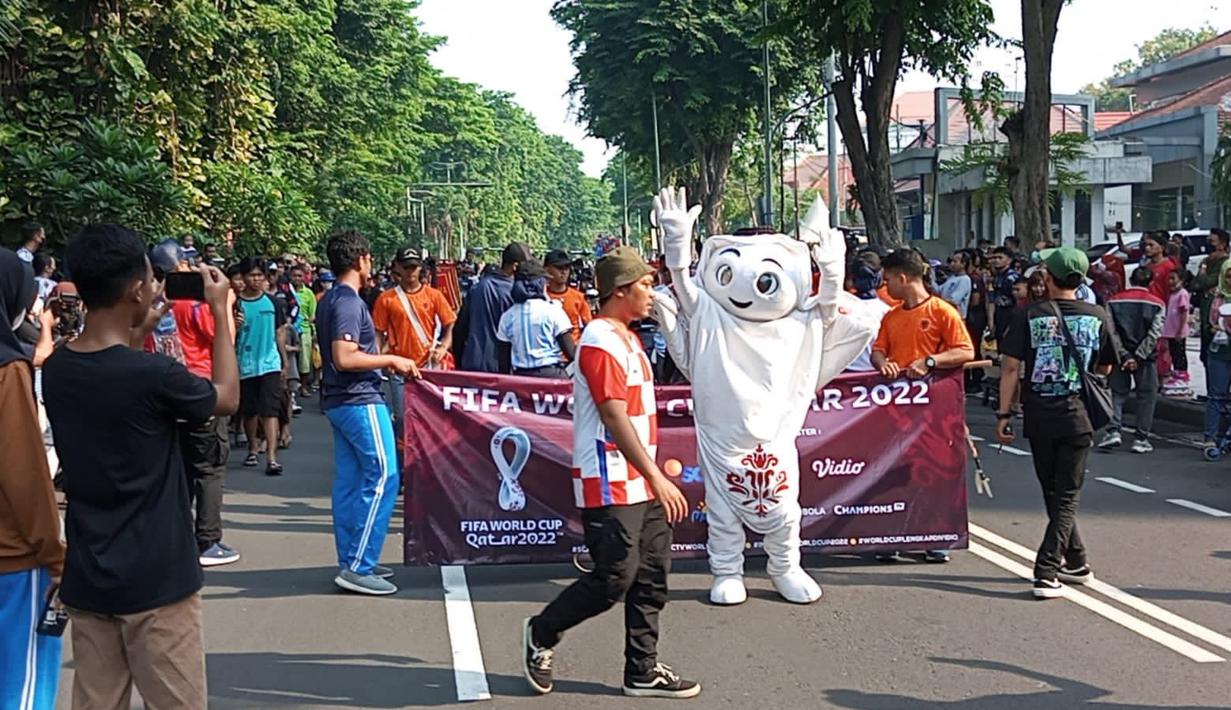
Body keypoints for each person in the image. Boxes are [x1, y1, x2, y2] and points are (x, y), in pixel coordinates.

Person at [42, 224, 239, 709]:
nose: (157, 287)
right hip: (158, 579)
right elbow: (227, 397)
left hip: (90, 576)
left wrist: (137, 333)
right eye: (153, 279)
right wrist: (219, 310)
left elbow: (112, 381)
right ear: (136, 289)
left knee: (97, 701)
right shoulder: (154, 374)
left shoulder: (60, 369)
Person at [522, 246, 698, 699]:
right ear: (621, 290)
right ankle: (542, 632)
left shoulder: (629, 337)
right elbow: (613, 416)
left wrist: (652, 476)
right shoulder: (600, 341)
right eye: (644, 285)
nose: (651, 293)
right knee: (613, 577)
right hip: (610, 478)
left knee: (652, 574)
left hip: (641, 477)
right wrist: (656, 476)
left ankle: (641, 669)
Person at [996, 247, 1118, 599]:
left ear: (1048, 278)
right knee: (1063, 493)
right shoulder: (1096, 314)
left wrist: (1005, 414)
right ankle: (1076, 561)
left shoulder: (1028, 315)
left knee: (1057, 492)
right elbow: (1105, 366)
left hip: (1039, 414)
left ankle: (1047, 570)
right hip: (1079, 414)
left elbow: (1010, 368)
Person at [317, 230, 420, 596]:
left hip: (340, 401)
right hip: (359, 398)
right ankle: (359, 565)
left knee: (351, 481)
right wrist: (391, 358)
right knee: (383, 475)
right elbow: (346, 357)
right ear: (360, 260)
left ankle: (354, 559)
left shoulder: (331, 299)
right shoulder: (348, 303)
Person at [870, 249, 974, 563]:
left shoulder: (944, 312)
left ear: (904, 277)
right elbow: (878, 350)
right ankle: (893, 536)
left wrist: (930, 361)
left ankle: (935, 536)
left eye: (888, 279)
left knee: (933, 472)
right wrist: (883, 362)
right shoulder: (892, 317)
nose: (885, 286)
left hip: (934, 412)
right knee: (893, 472)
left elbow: (965, 350)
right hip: (897, 410)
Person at [149, 241, 242, 566]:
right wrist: (225, 304)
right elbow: (224, 340)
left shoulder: (150, 300)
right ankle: (207, 541)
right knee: (208, 468)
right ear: (180, 267)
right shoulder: (197, 304)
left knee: (176, 470)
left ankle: (171, 536)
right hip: (201, 390)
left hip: (162, 393)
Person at [0, 249, 65, 710]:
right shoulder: (8, 371)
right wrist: (55, 554)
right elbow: (24, 476)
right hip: (13, 559)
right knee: (21, 691)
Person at [372, 246, 456, 454]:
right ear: (398, 268)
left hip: (428, 368)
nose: (411, 272)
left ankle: (427, 461)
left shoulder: (434, 296)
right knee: (401, 419)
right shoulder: (387, 299)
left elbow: (450, 324)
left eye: (414, 267)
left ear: (420, 268)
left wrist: (443, 346)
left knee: (432, 418)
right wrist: (379, 361)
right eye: (407, 267)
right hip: (400, 370)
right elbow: (378, 334)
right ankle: (404, 469)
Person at [1100, 268, 1164, 453]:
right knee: (1146, 396)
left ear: (1131, 279)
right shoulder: (1157, 304)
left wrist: (1124, 355)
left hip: (1120, 356)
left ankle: (1113, 430)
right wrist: (1138, 356)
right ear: (1150, 282)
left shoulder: (1113, 301)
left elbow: (1111, 331)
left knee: (1116, 393)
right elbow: (1154, 334)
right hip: (1146, 359)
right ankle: (1141, 438)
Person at [236, 256, 288, 475]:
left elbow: (279, 333)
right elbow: (228, 335)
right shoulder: (235, 303)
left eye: (259, 275)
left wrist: (284, 361)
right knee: (249, 411)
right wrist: (235, 327)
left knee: (270, 411)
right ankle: (252, 448)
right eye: (252, 275)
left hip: (270, 363)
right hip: (245, 363)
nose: (255, 279)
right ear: (244, 277)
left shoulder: (273, 303)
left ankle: (272, 458)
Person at [456, 242, 530, 372]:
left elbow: (459, 330)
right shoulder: (514, 293)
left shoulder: (476, 288)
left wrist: (459, 363)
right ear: (515, 266)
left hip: (471, 364)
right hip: (502, 369)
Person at [497, 259, 577, 378]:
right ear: (539, 284)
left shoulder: (507, 316)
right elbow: (571, 353)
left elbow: (503, 363)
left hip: (521, 379)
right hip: (552, 377)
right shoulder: (553, 311)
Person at [1193, 229, 1229, 380]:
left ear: (1222, 244)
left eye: (1212, 242)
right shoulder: (1206, 261)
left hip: (1221, 321)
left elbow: (1204, 282)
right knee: (1206, 355)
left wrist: (1203, 272)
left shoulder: (1225, 264)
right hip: (1206, 316)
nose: (1209, 246)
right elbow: (1196, 284)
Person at [1203, 259, 1231, 447]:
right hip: (1220, 353)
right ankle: (1210, 438)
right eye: (1228, 276)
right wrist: (1216, 329)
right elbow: (1206, 326)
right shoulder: (1215, 298)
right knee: (1216, 396)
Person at [544, 249, 592, 343]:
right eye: (559, 267)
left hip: (573, 351)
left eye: (567, 267)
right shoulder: (541, 297)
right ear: (547, 269)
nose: (564, 271)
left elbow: (589, 326)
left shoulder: (578, 297)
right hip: (549, 352)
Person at [1160, 270, 1192, 397]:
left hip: (1177, 331)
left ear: (1181, 280)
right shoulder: (1172, 294)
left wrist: (1180, 330)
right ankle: (1176, 375)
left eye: (1173, 279)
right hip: (1171, 330)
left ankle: (1182, 376)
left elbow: (1184, 312)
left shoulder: (1182, 294)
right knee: (1173, 353)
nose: (1170, 282)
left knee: (1179, 353)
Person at [291, 264, 318, 396]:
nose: (297, 278)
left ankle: (304, 386)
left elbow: (312, 315)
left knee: (304, 360)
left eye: (299, 276)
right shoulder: (287, 291)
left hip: (304, 329)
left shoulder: (308, 294)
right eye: (294, 275)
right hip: (289, 329)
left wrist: (314, 332)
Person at [988, 246, 1021, 345]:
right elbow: (991, 299)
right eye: (994, 258)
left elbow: (1018, 301)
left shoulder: (1012, 277)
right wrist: (991, 321)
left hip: (1010, 313)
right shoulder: (997, 277)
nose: (996, 260)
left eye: (1000, 258)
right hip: (998, 313)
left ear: (1009, 260)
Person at [1140, 232, 1178, 303]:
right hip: (1148, 304)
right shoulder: (1147, 266)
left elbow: (1171, 291)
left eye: (1151, 245)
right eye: (1146, 245)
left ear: (1162, 248)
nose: (1147, 248)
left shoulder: (1168, 266)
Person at [939, 251, 972, 318]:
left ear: (963, 264)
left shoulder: (965, 280)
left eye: (955, 261)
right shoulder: (952, 277)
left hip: (956, 318)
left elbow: (953, 300)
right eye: (951, 261)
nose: (952, 264)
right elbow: (939, 290)